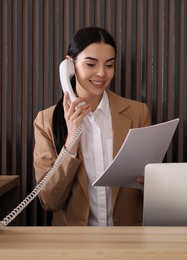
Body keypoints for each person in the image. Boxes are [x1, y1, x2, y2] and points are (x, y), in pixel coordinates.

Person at [33, 27, 151, 226]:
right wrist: (71, 141)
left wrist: (152, 182)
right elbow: (49, 201)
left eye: (109, 65)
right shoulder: (46, 120)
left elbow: (149, 187)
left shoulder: (138, 114)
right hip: (74, 246)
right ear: (69, 65)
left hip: (129, 240)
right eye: (91, 64)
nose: (102, 74)